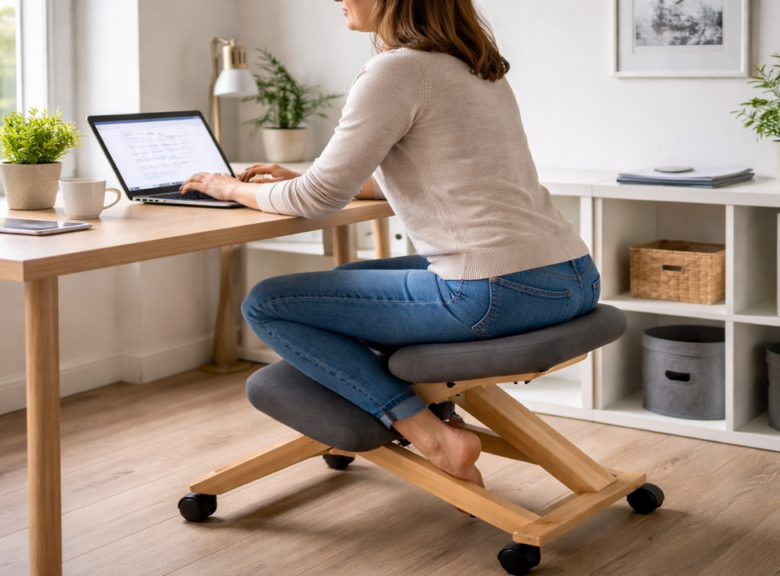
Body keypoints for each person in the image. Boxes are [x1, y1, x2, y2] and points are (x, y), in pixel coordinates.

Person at [180, 0, 599, 493]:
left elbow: (315, 201)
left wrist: (227, 188)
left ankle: (429, 433)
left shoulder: (397, 70)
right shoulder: (475, 68)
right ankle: (437, 411)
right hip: (570, 276)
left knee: (268, 303)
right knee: (342, 285)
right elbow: (418, 176)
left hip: (497, 291)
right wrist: (313, 175)